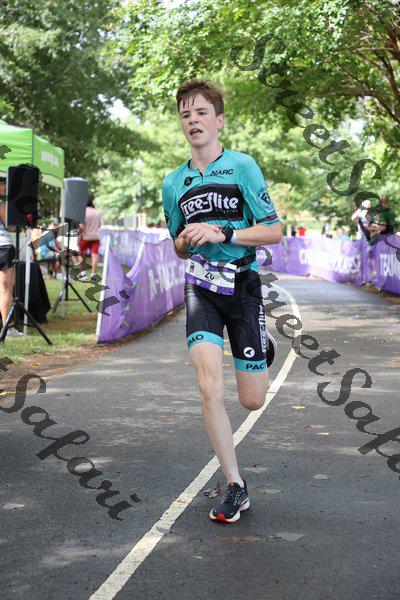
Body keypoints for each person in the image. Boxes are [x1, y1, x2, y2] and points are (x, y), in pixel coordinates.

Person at [162, 79, 282, 523]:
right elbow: (177, 244)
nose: (193, 121)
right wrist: (185, 240)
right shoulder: (173, 182)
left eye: (201, 113)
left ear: (219, 120)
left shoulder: (243, 167)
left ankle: (261, 346)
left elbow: (273, 231)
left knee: (252, 400)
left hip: (243, 285)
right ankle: (234, 484)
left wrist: (222, 232)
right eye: (186, 115)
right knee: (209, 384)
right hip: (201, 288)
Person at [0, 177, 21, 337]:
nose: (4, 189)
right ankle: (7, 329)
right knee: (6, 289)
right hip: (3, 246)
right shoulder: (2, 204)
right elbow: (11, 227)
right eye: (2, 186)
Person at [78, 196, 101, 282]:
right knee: (95, 255)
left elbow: (82, 226)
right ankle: (93, 275)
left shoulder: (83, 212)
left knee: (81, 254)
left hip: (85, 237)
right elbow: (99, 225)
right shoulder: (97, 212)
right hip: (95, 237)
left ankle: (83, 274)